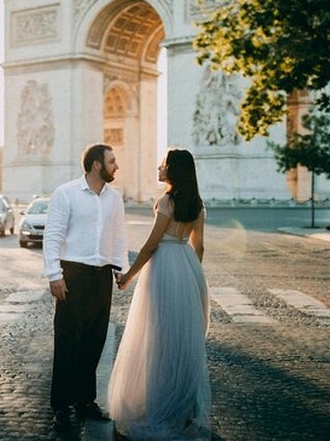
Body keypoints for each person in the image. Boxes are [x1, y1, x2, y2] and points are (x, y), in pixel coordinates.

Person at [108, 148, 211, 440]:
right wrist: (191, 275)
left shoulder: (166, 202)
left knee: (157, 339)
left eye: (164, 164)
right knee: (183, 342)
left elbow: (151, 245)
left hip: (163, 268)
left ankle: (158, 407)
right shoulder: (197, 204)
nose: (159, 167)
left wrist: (128, 276)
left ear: (173, 171)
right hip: (188, 267)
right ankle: (184, 409)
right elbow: (199, 246)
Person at [43, 143, 129, 432]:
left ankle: (85, 401)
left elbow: (119, 237)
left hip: (102, 276)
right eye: (112, 161)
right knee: (67, 342)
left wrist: (121, 269)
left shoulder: (114, 198)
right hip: (74, 274)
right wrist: (55, 274)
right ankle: (61, 406)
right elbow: (53, 236)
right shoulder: (65, 193)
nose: (116, 166)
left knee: (94, 341)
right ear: (96, 165)